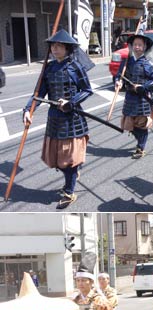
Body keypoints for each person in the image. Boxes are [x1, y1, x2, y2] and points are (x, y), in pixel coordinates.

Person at [23, 30, 93, 209]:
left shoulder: (75, 67)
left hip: (72, 120)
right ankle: (73, 174)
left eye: (59, 46)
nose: (55, 49)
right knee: (55, 159)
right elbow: (38, 93)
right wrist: (28, 110)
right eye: (53, 46)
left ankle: (69, 192)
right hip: (54, 119)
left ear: (67, 48)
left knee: (69, 160)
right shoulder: (49, 67)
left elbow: (87, 90)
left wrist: (71, 101)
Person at [115, 33, 153, 159]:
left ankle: (140, 147)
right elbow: (119, 75)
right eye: (135, 44)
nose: (137, 47)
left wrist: (143, 87)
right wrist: (118, 82)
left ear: (145, 47)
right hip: (130, 97)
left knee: (141, 123)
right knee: (130, 123)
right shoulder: (126, 62)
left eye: (140, 45)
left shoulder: (149, 63)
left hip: (143, 98)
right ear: (131, 46)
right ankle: (139, 139)